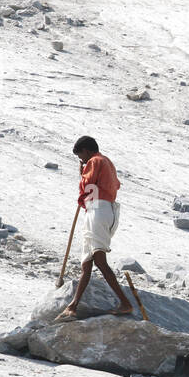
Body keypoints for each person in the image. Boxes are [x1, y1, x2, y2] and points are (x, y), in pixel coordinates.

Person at [57, 136, 133, 320]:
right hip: (104, 211)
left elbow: (89, 187)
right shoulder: (106, 162)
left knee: (98, 260)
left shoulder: (95, 161)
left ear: (87, 150)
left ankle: (125, 303)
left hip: (98, 210)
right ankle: (73, 306)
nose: (81, 160)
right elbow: (114, 185)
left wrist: (83, 175)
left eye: (81, 155)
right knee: (87, 263)